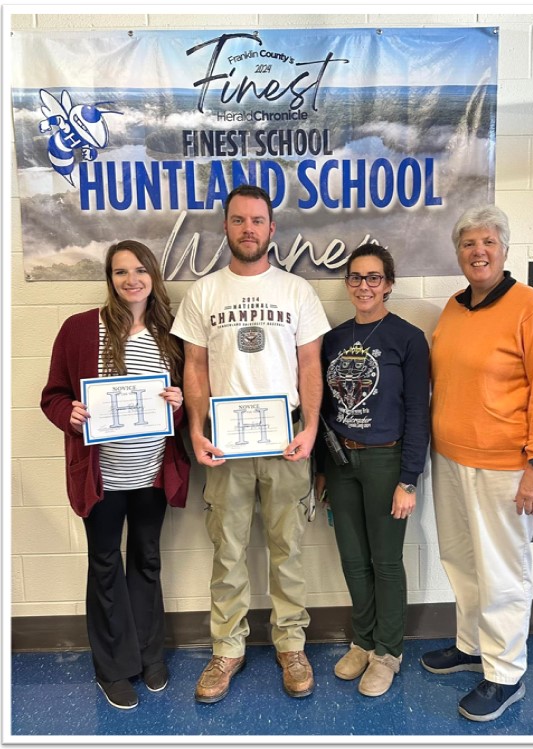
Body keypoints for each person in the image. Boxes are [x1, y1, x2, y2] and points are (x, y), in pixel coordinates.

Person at [171, 183, 331, 703]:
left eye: (257, 220)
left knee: (287, 548)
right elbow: (195, 367)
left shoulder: (296, 291)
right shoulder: (204, 293)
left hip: (286, 437)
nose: (248, 229)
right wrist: (196, 429)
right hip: (225, 441)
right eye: (238, 220)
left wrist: (309, 427)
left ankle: (290, 643)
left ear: (271, 228)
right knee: (229, 549)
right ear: (226, 227)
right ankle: (228, 648)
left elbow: (311, 364)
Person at [421, 205, 533, 722]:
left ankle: (505, 673)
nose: (477, 252)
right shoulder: (456, 307)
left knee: (503, 571)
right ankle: (470, 646)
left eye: (487, 242)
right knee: (461, 561)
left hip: (506, 465)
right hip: (452, 460)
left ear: (504, 250)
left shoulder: (532, 308)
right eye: (467, 244)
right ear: (458, 253)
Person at [39, 240, 190, 711]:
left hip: (150, 475)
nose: (131, 280)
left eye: (140, 270)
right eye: (121, 272)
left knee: (146, 561)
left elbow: (185, 403)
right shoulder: (81, 329)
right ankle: (112, 668)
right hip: (101, 478)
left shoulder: (171, 331)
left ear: (153, 276)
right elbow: (53, 396)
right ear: (109, 279)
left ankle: (149, 655)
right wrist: (72, 415)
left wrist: (180, 406)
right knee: (105, 566)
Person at [314, 243, 430, 697]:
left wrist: (408, 479)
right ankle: (362, 641)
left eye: (374, 278)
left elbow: (418, 411)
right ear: (347, 284)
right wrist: (322, 469)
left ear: (389, 284)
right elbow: (323, 407)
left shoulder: (408, 338)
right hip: (341, 461)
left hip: (386, 460)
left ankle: (387, 652)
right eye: (356, 278)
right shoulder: (334, 338)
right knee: (353, 560)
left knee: (385, 562)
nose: (364, 286)